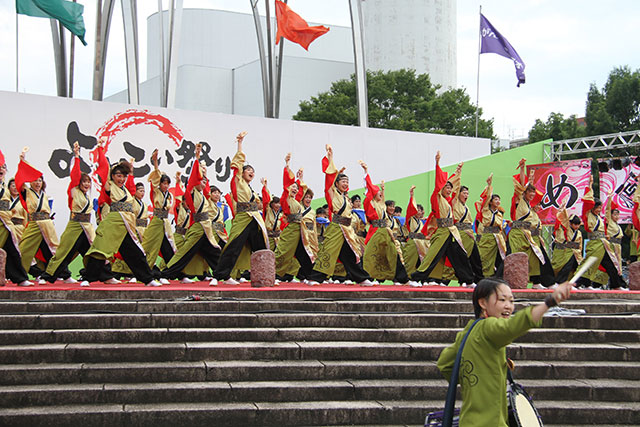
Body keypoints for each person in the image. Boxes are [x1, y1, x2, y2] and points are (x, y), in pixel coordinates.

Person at [437, 278, 573, 427]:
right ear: (482, 303)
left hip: (469, 420)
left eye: (511, 301)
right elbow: (512, 327)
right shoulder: (489, 326)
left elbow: (444, 363)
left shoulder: (468, 332)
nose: (508, 306)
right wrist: (549, 302)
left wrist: (472, 380)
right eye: (502, 300)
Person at [82, 154, 161, 286]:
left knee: (135, 252)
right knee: (100, 251)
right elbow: (103, 170)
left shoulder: (126, 190)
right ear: (112, 176)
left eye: (124, 176)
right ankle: (87, 278)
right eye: (119, 176)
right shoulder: (109, 186)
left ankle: (148, 279)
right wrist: (101, 149)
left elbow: (130, 181)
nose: (122, 179)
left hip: (126, 226)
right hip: (113, 224)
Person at [306, 145, 372, 285]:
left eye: (347, 181)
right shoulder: (331, 193)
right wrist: (331, 158)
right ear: (336, 184)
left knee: (351, 254)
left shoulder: (346, 198)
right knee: (328, 252)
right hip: (336, 227)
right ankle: (315, 277)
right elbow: (329, 179)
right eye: (343, 181)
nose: (345, 183)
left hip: (347, 229)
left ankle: (361, 278)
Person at [211, 131, 269, 285]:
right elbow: (238, 164)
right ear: (241, 173)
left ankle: (266, 276)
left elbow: (263, 203)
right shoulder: (238, 181)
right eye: (248, 170)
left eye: (253, 171)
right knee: (233, 246)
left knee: (260, 247)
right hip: (243, 218)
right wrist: (240, 143)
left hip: (254, 218)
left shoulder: (251, 190)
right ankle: (219, 276)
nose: (251, 172)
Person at [411, 151, 475, 285]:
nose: (449, 190)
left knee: (459, 256)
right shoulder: (437, 197)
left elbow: (456, 186)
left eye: (450, 188)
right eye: (446, 187)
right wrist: (437, 163)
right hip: (442, 231)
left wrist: (458, 172)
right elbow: (438, 183)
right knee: (432, 256)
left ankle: (468, 280)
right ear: (441, 189)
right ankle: (417, 278)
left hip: (452, 231)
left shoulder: (448, 200)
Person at [162, 145, 222, 281]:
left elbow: (206, 187)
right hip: (198, 227)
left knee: (214, 252)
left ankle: (222, 274)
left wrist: (205, 173)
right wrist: (197, 157)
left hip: (205, 228)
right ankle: (166, 274)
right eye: (201, 180)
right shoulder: (191, 192)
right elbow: (195, 178)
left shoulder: (203, 195)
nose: (204, 183)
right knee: (184, 253)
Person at [41, 142, 95, 284]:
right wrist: (76, 157)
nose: (86, 184)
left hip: (87, 227)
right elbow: (75, 175)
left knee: (93, 252)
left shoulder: (86, 196)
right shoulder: (74, 191)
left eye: (88, 182)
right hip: (75, 225)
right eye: (84, 182)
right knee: (64, 252)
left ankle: (101, 276)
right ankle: (49, 275)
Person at [359, 160, 412, 285]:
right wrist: (366, 172)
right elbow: (369, 188)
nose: (380, 194)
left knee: (393, 254)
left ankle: (400, 279)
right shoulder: (370, 203)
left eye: (381, 193)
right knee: (369, 256)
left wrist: (383, 189)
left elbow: (381, 197)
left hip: (385, 232)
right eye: (378, 193)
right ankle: (366, 278)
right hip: (375, 231)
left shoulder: (381, 204)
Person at [16, 148, 63, 282]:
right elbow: (20, 181)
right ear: (30, 182)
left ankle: (62, 274)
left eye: (40, 181)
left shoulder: (44, 196)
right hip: (34, 223)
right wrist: (22, 161)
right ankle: (21, 275)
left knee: (54, 249)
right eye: (35, 181)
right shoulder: (27, 192)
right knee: (24, 248)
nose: (37, 183)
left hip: (47, 224)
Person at [508, 159, 555, 288]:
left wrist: (532, 181)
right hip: (518, 236)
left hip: (528, 236)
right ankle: (501, 281)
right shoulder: (519, 200)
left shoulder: (530, 207)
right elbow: (523, 185)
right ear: (524, 192)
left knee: (537, 258)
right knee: (514, 260)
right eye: (530, 192)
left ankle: (537, 282)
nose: (533, 194)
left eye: (534, 192)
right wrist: (522, 169)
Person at [575, 175, 626, 290]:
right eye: (597, 208)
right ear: (592, 208)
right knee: (589, 263)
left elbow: (607, 211)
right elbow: (587, 202)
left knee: (611, 264)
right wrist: (590, 185)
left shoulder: (599, 218)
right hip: (595, 244)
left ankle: (616, 285)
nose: (599, 210)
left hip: (603, 244)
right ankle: (578, 283)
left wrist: (609, 198)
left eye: (600, 208)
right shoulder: (587, 215)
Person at [274, 153, 317, 281]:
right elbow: (287, 183)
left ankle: (310, 276)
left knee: (303, 253)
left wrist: (300, 178)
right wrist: (287, 164)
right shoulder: (285, 198)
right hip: (292, 229)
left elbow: (300, 191)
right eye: (293, 187)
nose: (295, 188)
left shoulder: (296, 200)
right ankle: (274, 274)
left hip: (300, 229)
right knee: (283, 251)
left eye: (296, 188)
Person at [445, 162, 483, 284]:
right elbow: (455, 186)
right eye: (464, 193)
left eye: (467, 193)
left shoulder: (466, 207)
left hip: (469, 236)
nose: (466, 195)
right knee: (460, 260)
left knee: (475, 259)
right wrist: (458, 172)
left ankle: (479, 281)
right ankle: (451, 280)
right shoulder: (455, 202)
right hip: (459, 235)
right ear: (458, 194)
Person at [0, 150, 32, 286]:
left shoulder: (4, 187)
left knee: (13, 251)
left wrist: (23, 161)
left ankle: (20, 278)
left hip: (6, 224)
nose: (1, 170)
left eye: (2, 167)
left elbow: (21, 180)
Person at [142, 149, 177, 273]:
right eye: (164, 183)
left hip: (165, 222)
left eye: (168, 184)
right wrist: (155, 162)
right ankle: (143, 269)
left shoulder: (168, 195)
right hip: (156, 221)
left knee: (169, 247)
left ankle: (174, 271)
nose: (166, 186)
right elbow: (157, 176)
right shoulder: (156, 192)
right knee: (148, 245)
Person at [475, 173, 506, 278]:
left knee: (502, 258)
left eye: (499, 199)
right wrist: (489, 185)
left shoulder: (499, 214)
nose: (498, 201)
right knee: (485, 259)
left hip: (498, 237)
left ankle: (498, 277)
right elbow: (487, 197)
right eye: (495, 199)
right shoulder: (485, 210)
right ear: (491, 202)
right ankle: (484, 278)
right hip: (487, 237)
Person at [551, 201, 583, 284]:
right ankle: (559, 282)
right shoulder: (565, 229)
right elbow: (564, 218)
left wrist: (579, 253)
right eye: (575, 224)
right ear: (570, 223)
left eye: (578, 224)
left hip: (574, 253)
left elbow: (580, 245)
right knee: (562, 267)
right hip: (564, 252)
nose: (576, 226)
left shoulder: (579, 233)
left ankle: (574, 283)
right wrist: (563, 209)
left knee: (576, 268)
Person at [402, 186, 430, 279]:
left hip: (421, 244)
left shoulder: (421, 222)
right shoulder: (410, 219)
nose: (417, 211)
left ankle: (418, 279)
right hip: (413, 243)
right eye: (416, 209)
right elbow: (410, 209)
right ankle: (407, 279)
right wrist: (412, 195)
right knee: (410, 263)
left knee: (420, 263)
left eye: (419, 209)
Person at [261, 179, 282, 251]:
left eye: (279, 203)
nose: (278, 205)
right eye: (276, 203)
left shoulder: (280, 214)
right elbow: (267, 199)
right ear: (272, 204)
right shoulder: (268, 210)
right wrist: (265, 187)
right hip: (269, 237)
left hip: (278, 237)